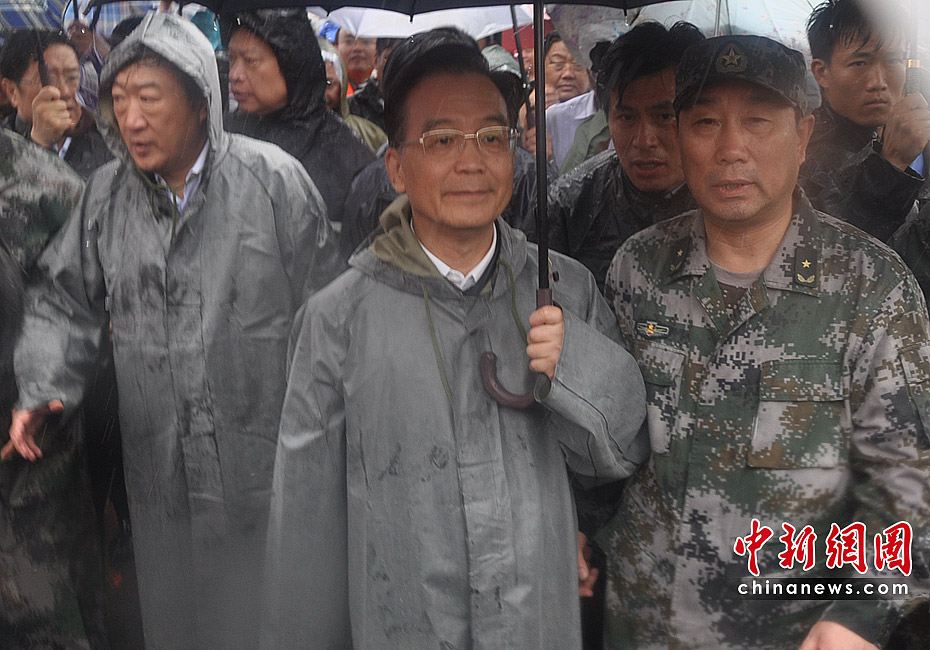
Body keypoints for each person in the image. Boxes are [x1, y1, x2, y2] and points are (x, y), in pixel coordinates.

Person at [261, 29, 648, 650]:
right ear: (396, 167)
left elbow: (622, 450)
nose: (472, 161)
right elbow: (305, 520)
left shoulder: (560, 289)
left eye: (492, 137)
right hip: (402, 620)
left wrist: (575, 364)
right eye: (441, 139)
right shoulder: (339, 318)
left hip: (535, 621)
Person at [7, 13, 342, 650]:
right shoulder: (105, 198)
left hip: (267, 471)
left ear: (199, 101)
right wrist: (43, 386)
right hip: (160, 476)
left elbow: (329, 317)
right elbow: (61, 300)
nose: (132, 120)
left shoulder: (272, 182)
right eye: (119, 100)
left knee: (277, 621)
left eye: (150, 99)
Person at [597, 34, 930, 650]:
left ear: (803, 137)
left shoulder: (870, 287)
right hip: (642, 624)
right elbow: (611, 451)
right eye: (704, 123)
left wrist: (857, 617)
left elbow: (908, 483)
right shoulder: (636, 271)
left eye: (757, 121)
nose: (730, 149)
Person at [0, 127, 108, 650]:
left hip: (32, 465)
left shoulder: (47, 187)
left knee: (46, 620)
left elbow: (84, 306)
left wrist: (42, 390)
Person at [546, 22, 703, 291]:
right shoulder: (572, 203)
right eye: (626, 117)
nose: (644, 140)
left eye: (665, 116)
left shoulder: (729, 196)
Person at [223, 9, 375, 227]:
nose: (234, 74)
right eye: (231, 59)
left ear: (291, 63)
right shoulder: (223, 134)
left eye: (250, 61)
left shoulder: (345, 156)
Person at [800, 0, 930, 243]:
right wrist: (890, 165)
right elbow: (832, 251)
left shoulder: (919, 131)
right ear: (821, 72)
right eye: (859, 63)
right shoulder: (804, 156)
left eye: (893, 60)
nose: (878, 82)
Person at [0, 29, 112, 179]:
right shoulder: (5, 146)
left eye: (72, 78)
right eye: (49, 79)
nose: (65, 91)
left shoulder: (109, 144)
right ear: (12, 91)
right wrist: (39, 144)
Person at [321, 47, 387, 153]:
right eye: (313, 84)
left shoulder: (371, 135)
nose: (321, 94)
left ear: (342, 86)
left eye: (329, 84)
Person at [348, 37, 398, 131]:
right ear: (375, 60)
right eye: (388, 57)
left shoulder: (423, 106)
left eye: (402, 57)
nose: (395, 64)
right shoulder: (352, 107)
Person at [336, 27, 377, 94]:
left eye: (366, 41)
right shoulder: (329, 87)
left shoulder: (388, 86)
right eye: (349, 41)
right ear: (336, 48)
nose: (357, 48)